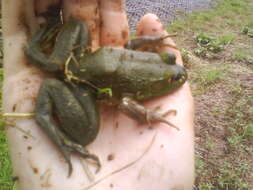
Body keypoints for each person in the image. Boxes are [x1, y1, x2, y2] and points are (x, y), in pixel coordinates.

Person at [2, 0, 194, 189]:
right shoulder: (142, 87)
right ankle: (46, 100)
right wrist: (147, 115)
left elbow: (128, 49)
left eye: (170, 70)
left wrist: (149, 42)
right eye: (168, 59)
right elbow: (125, 102)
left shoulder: (144, 78)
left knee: (78, 25)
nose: (171, 59)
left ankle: (46, 55)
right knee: (87, 134)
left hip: (85, 63)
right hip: (81, 82)